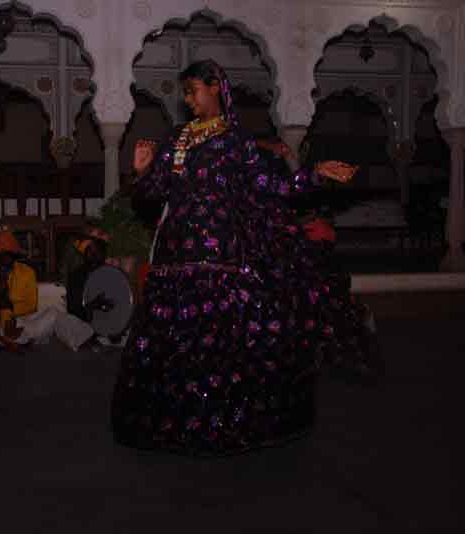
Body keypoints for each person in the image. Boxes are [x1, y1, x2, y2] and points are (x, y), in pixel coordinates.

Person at [111, 59, 379, 456]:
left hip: (222, 255)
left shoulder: (236, 141)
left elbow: (276, 186)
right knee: (175, 342)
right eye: (184, 92)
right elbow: (152, 193)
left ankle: (229, 423)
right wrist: (140, 171)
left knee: (227, 340)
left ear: (216, 87)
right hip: (176, 256)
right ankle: (174, 423)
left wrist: (316, 175)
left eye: (193, 90)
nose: (188, 99)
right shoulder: (178, 138)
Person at [0, 230, 58, 351]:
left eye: (7, 255)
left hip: (20, 321)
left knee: (53, 313)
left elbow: (32, 305)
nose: (3, 259)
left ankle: (1, 342)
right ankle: (16, 342)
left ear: (14, 256)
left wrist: (10, 307)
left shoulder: (27, 272)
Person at [53, 227, 116, 352]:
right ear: (86, 254)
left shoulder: (111, 274)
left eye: (98, 250)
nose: (94, 253)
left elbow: (118, 304)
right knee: (60, 320)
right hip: (83, 324)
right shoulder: (76, 275)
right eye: (91, 250)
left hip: (105, 323)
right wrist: (92, 305)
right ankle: (94, 339)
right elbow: (73, 310)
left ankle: (95, 339)